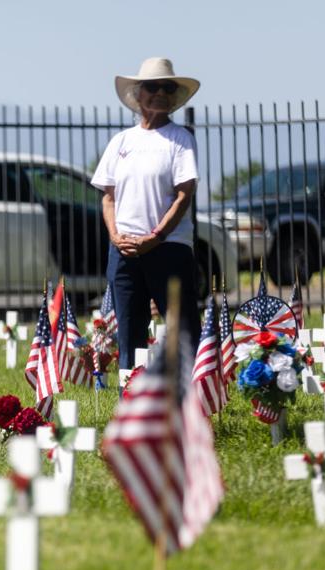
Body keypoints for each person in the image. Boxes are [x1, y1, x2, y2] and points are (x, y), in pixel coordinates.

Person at [90, 57, 202, 369]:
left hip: (168, 249)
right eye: (153, 87)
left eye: (168, 87)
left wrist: (155, 237)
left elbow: (184, 196)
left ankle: (192, 403)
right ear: (138, 94)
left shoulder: (181, 139)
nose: (161, 93)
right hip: (124, 250)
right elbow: (108, 198)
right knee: (128, 332)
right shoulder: (121, 141)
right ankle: (132, 401)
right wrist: (115, 237)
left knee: (183, 331)